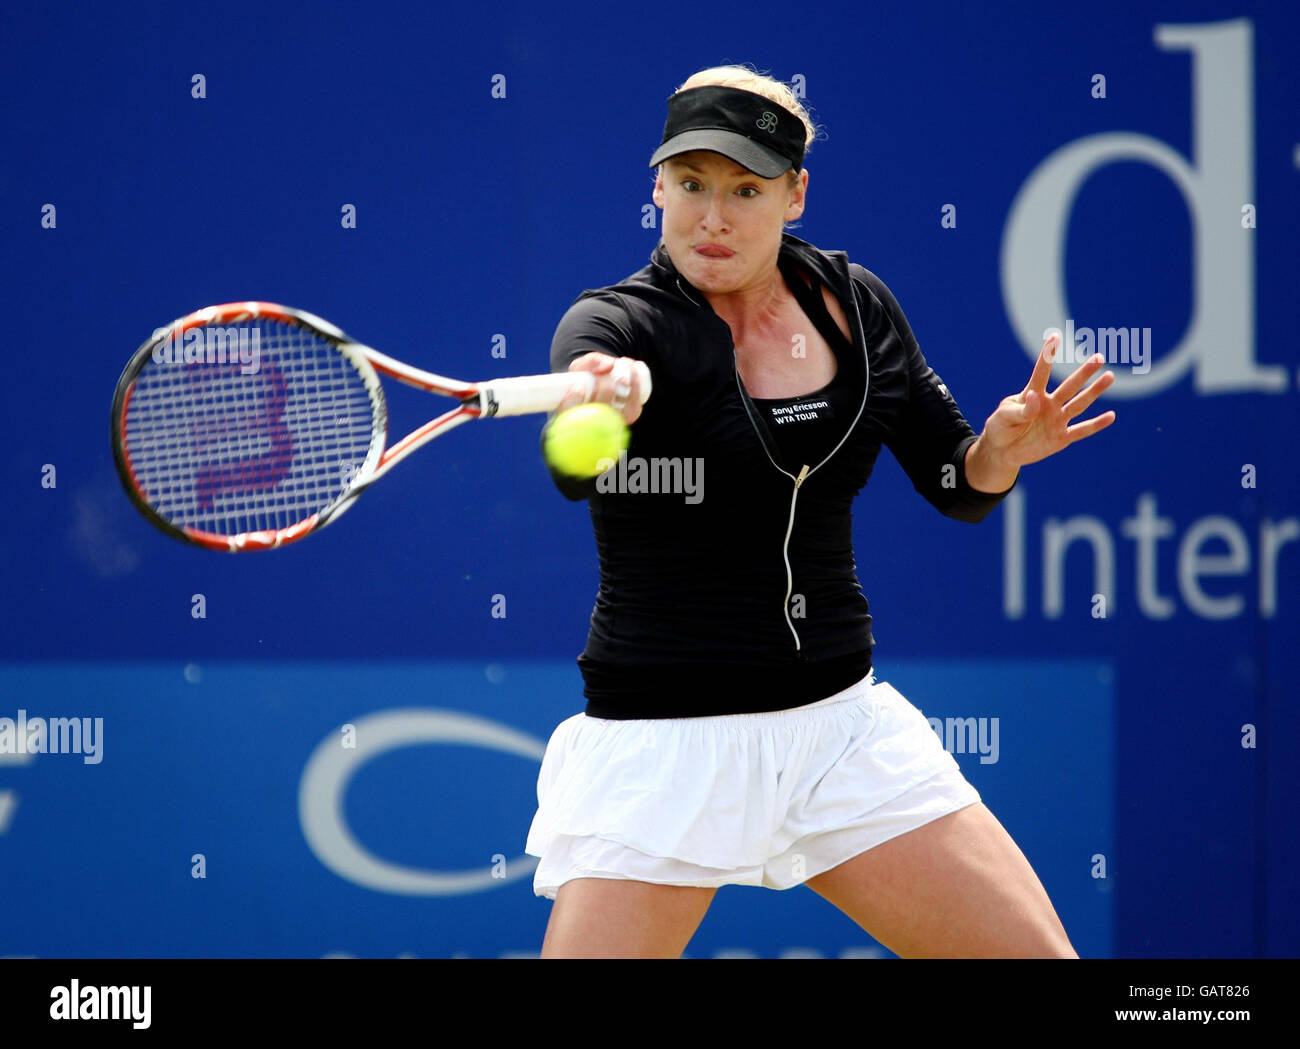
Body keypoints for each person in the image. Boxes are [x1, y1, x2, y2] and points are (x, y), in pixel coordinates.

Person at [524, 65, 1116, 959]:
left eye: (745, 190)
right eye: (690, 186)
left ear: (795, 194)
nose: (712, 218)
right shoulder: (613, 325)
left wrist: (999, 451)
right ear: (657, 187)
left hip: (844, 734)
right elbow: (578, 471)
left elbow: (956, 484)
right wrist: (596, 416)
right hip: (663, 746)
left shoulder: (858, 305)